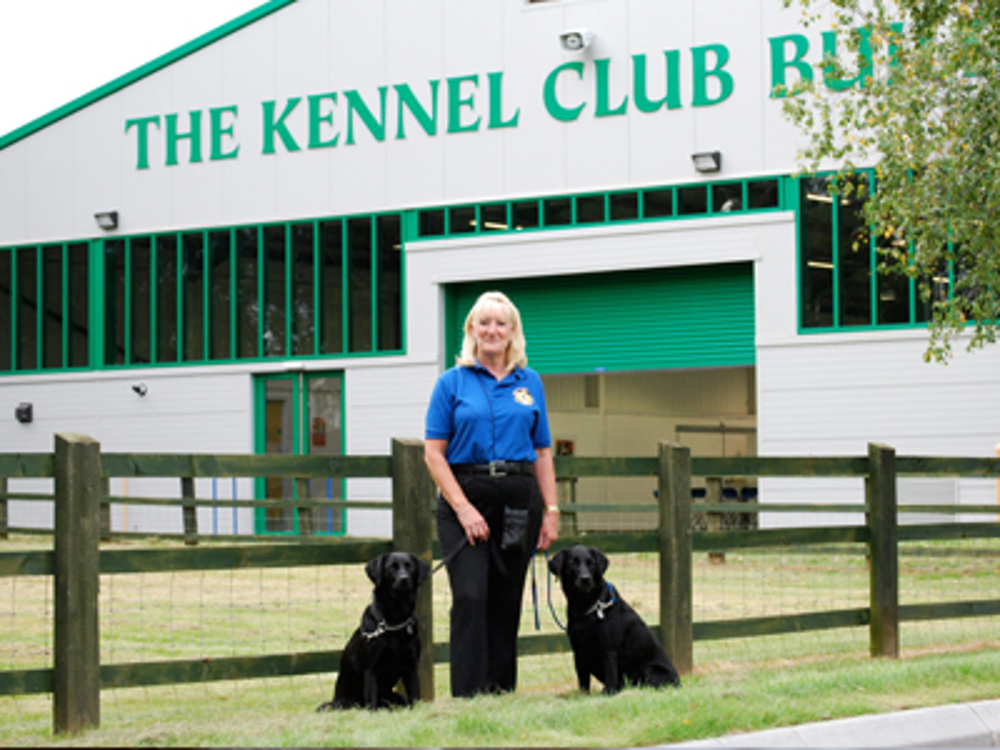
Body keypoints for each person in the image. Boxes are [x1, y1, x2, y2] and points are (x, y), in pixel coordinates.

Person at [424, 290, 559, 698]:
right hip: (465, 498)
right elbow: (433, 454)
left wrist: (551, 510)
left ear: (513, 332)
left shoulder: (530, 381)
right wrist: (463, 509)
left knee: (505, 599)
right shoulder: (451, 383)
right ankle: (468, 693)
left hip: (519, 501)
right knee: (469, 595)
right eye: (484, 322)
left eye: (501, 323)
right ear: (472, 330)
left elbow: (542, 452)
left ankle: (500, 691)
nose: (492, 330)